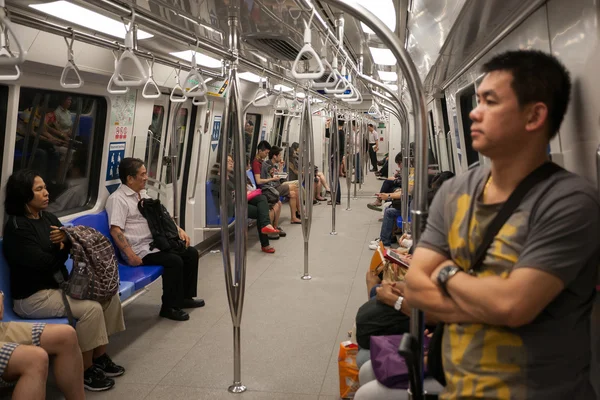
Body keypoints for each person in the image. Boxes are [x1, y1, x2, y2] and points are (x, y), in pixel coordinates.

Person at [404, 50, 600, 399]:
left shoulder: (570, 201)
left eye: (490, 102)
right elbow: (416, 289)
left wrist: (446, 273)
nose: (474, 112)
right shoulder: (454, 190)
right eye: (476, 100)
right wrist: (494, 306)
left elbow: (513, 305)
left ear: (534, 115)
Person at [3, 169, 124, 392]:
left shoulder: (47, 217)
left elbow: (68, 243)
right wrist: (62, 248)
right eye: (39, 190)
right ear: (24, 196)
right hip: (32, 297)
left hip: (58, 286)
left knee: (108, 294)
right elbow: (43, 262)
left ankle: (99, 356)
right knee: (91, 309)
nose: (46, 193)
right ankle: (85, 370)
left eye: (45, 188)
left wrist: (66, 242)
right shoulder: (17, 229)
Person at [106, 158, 204, 322]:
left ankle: (184, 298)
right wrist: (130, 255)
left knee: (191, 253)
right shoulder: (118, 199)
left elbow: (161, 216)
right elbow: (115, 230)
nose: (146, 178)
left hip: (156, 243)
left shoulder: (141, 194)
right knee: (174, 261)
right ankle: (169, 307)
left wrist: (179, 230)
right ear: (130, 178)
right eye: (142, 174)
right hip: (139, 249)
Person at [325, 118, 345, 205]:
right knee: (334, 178)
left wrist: (327, 126)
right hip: (337, 158)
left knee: (334, 178)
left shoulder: (338, 133)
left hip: (335, 158)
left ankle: (336, 199)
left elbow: (329, 137)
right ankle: (336, 198)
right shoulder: (341, 133)